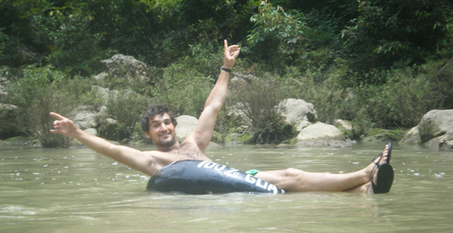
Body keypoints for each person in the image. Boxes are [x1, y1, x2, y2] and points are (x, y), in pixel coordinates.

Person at [50, 40, 393, 194]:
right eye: (157, 125)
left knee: (291, 173)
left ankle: (365, 190)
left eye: (167, 121)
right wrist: (78, 132)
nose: (165, 127)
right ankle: (366, 174)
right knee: (291, 178)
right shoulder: (153, 160)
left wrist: (225, 68)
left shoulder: (194, 143)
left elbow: (211, 107)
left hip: (237, 177)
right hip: (226, 191)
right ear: (149, 136)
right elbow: (113, 149)